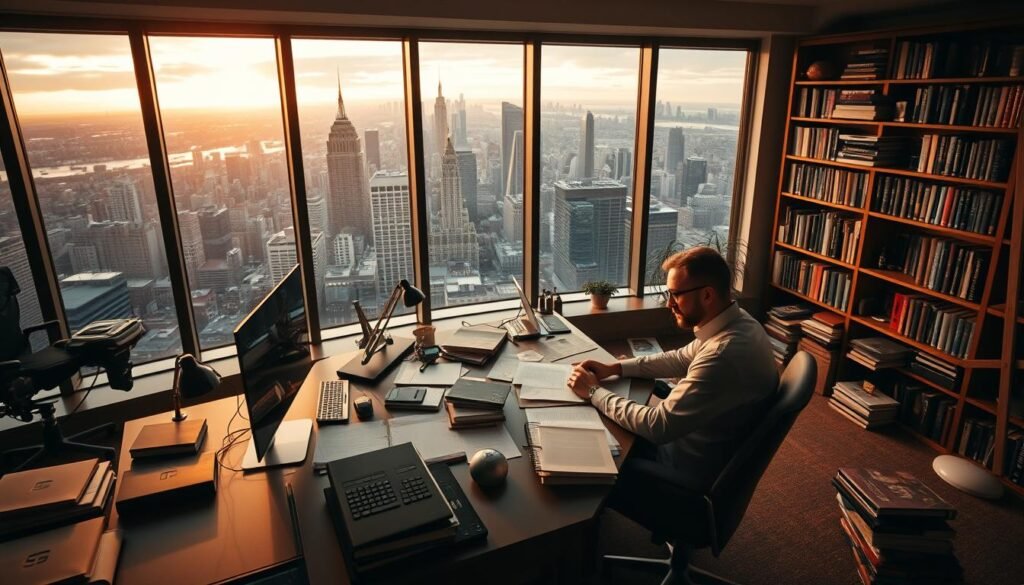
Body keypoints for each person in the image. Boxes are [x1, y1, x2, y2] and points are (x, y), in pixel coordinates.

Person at [567, 246, 778, 491]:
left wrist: (594, 392)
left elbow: (658, 426)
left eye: (676, 294)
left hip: (678, 465)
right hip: (698, 440)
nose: (669, 304)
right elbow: (679, 358)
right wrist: (615, 367)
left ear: (707, 295)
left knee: (586, 443)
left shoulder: (723, 355)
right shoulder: (739, 322)